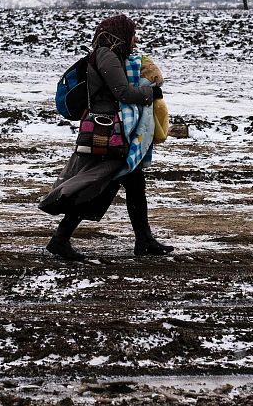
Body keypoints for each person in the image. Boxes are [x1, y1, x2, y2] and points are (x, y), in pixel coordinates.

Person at [39, 14, 175, 261]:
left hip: (115, 131)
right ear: (120, 33)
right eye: (132, 34)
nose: (135, 40)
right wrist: (151, 92)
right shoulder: (106, 55)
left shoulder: (112, 55)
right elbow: (121, 91)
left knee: (133, 184)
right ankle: (60, 239)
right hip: (108, 131)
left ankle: (144, 239)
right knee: (99, 185)